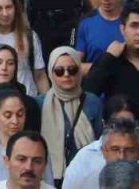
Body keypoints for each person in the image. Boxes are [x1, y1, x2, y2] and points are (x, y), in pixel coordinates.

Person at [37, 47, 102, 179]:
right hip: (48, 177)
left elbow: (100, 141)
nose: (66, 75)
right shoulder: (39, 104)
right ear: (50, 73)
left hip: (86, 176)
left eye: (72, 70)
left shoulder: (92, 102)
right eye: (59, 71)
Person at [60, 116, 139, 189]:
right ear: (103, 151)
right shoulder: (83, 168)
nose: (122, 156)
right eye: (115, 149)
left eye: (129, 150)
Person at [0, 93, 54, 185]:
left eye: (20, 114)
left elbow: (48, 184)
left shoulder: (37, 148)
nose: (15, 121)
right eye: (8, 115)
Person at [74, 0, 125, 73]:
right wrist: (106, 68)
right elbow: (74, 65)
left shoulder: (133, 21)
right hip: (94, 87)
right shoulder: (85, 23)